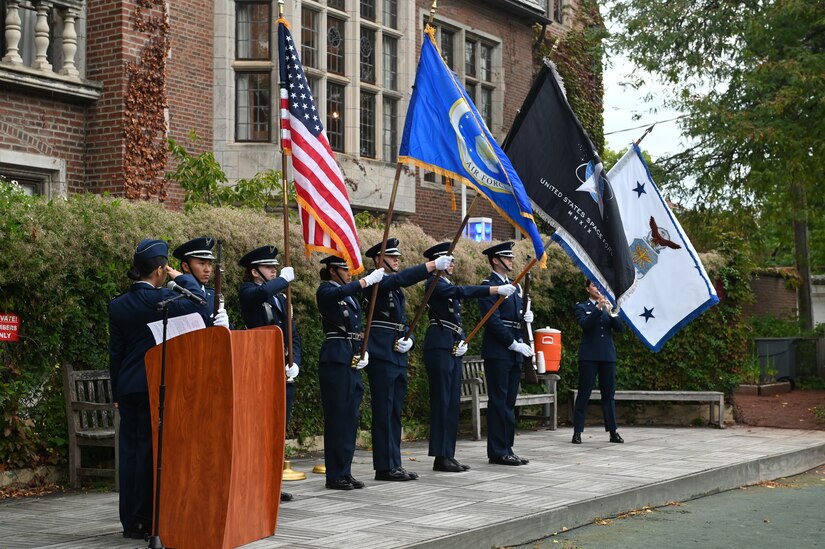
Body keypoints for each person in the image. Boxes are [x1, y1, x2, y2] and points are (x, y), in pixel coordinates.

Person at [108, 239, 226, 539]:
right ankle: (147, 520)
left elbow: (116, 354)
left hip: (128, 388)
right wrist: (180, 276)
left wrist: (116, 394)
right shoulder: (165, 301)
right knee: (150, 454)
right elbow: (200, 303)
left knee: (130, 454)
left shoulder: (118, 305)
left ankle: (129, 521)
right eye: (166, 269)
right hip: (154, 385)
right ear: (160, 270)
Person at [362, 238, 453, 482]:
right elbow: (401, 279)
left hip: (396, 352)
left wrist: (407, 338)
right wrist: (431, 267)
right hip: (381, 353)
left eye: (397, 257)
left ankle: (395, 463)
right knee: (384, 411)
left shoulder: (393, 286)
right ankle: (384, 466)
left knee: (394, 411)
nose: (397, 260)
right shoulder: (375, 280)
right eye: (392, 257)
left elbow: (398, 318)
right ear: (378, 260)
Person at [422, 242, 515, 472]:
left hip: (451, 345)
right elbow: (461, 292)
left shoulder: (445, 282)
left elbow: (455, 318)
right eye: (448, 260)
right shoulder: (433, 283)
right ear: (439, 262)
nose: (452, 264)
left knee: (451, 403)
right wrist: (493, 290)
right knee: (442, 402)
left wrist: (461, 339)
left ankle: (448, 454)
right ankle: (440, 456)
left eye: (452, 260)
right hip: (439, 345)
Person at [316, 255, 385, 490]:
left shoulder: (349, 293)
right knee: (337, 418)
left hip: (351, 357)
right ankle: (334, 474)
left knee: (350, 418)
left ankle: (345, 471)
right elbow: (335, 296)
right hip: (335, 358)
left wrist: (362, 352)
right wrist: (365, 282)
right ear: (333, 270)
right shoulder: (326, 289)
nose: (350, 274)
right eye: (346, 270)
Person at [237, 245, 300, 502]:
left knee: (278, 428)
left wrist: (295, 361)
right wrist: (284, 280)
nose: (273, 271)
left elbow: (292, 333)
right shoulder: (249, 291)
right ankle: (256, 481)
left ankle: (273, 482)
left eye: (275, 267)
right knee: (260, 429)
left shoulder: (280, 298)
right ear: (254, 272)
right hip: (260, 367)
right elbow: (260, 293)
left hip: (281, 368)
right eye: (268, 267)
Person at [478, 241, 534, 466]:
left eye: (511, 257)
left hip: (514, 350)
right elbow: (493, 321)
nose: (511, 261)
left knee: (509, 402)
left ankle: (507, 447)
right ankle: (498, 451)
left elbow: (514, 316)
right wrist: (512, 343)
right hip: (499, 350)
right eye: (506, 258)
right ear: (495, 260)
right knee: (499, 401)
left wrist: (526, 318)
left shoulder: (515, 286)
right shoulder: (488, 286)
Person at [572, 279, 625, 444]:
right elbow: (585, 325)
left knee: (608, 395)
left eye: (599, 286)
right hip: (589, 355)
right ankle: (577, 432)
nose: (597, 288)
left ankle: (613, 431)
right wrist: (597, 308)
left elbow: (619, 328)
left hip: (607, 356)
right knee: (584, 393)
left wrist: (611, 311)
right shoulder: (582, 307)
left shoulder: (610, 306)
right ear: (587, 288)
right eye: (594, 285)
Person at [172, 236, 219, 313]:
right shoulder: (175, 296)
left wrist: (226, 325)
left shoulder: (213, 295)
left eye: (210, 264)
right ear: (185, 266)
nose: (207, 270)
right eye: (202, 263)